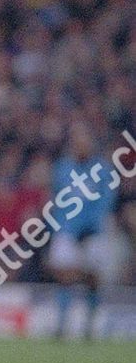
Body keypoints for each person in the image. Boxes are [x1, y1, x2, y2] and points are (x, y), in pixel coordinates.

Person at [48, 127, 116, 340]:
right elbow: (58, 200)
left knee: (92, 278)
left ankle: (89, 326)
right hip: (67, 230)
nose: (80, 146)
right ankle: (62, 325)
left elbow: (106, 202)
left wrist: (91, 226)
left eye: (84, 142)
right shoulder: (63, 168)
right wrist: (57, 227)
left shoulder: (102, 170)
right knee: (63, 275)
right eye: (77, 142)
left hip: (93, 232)